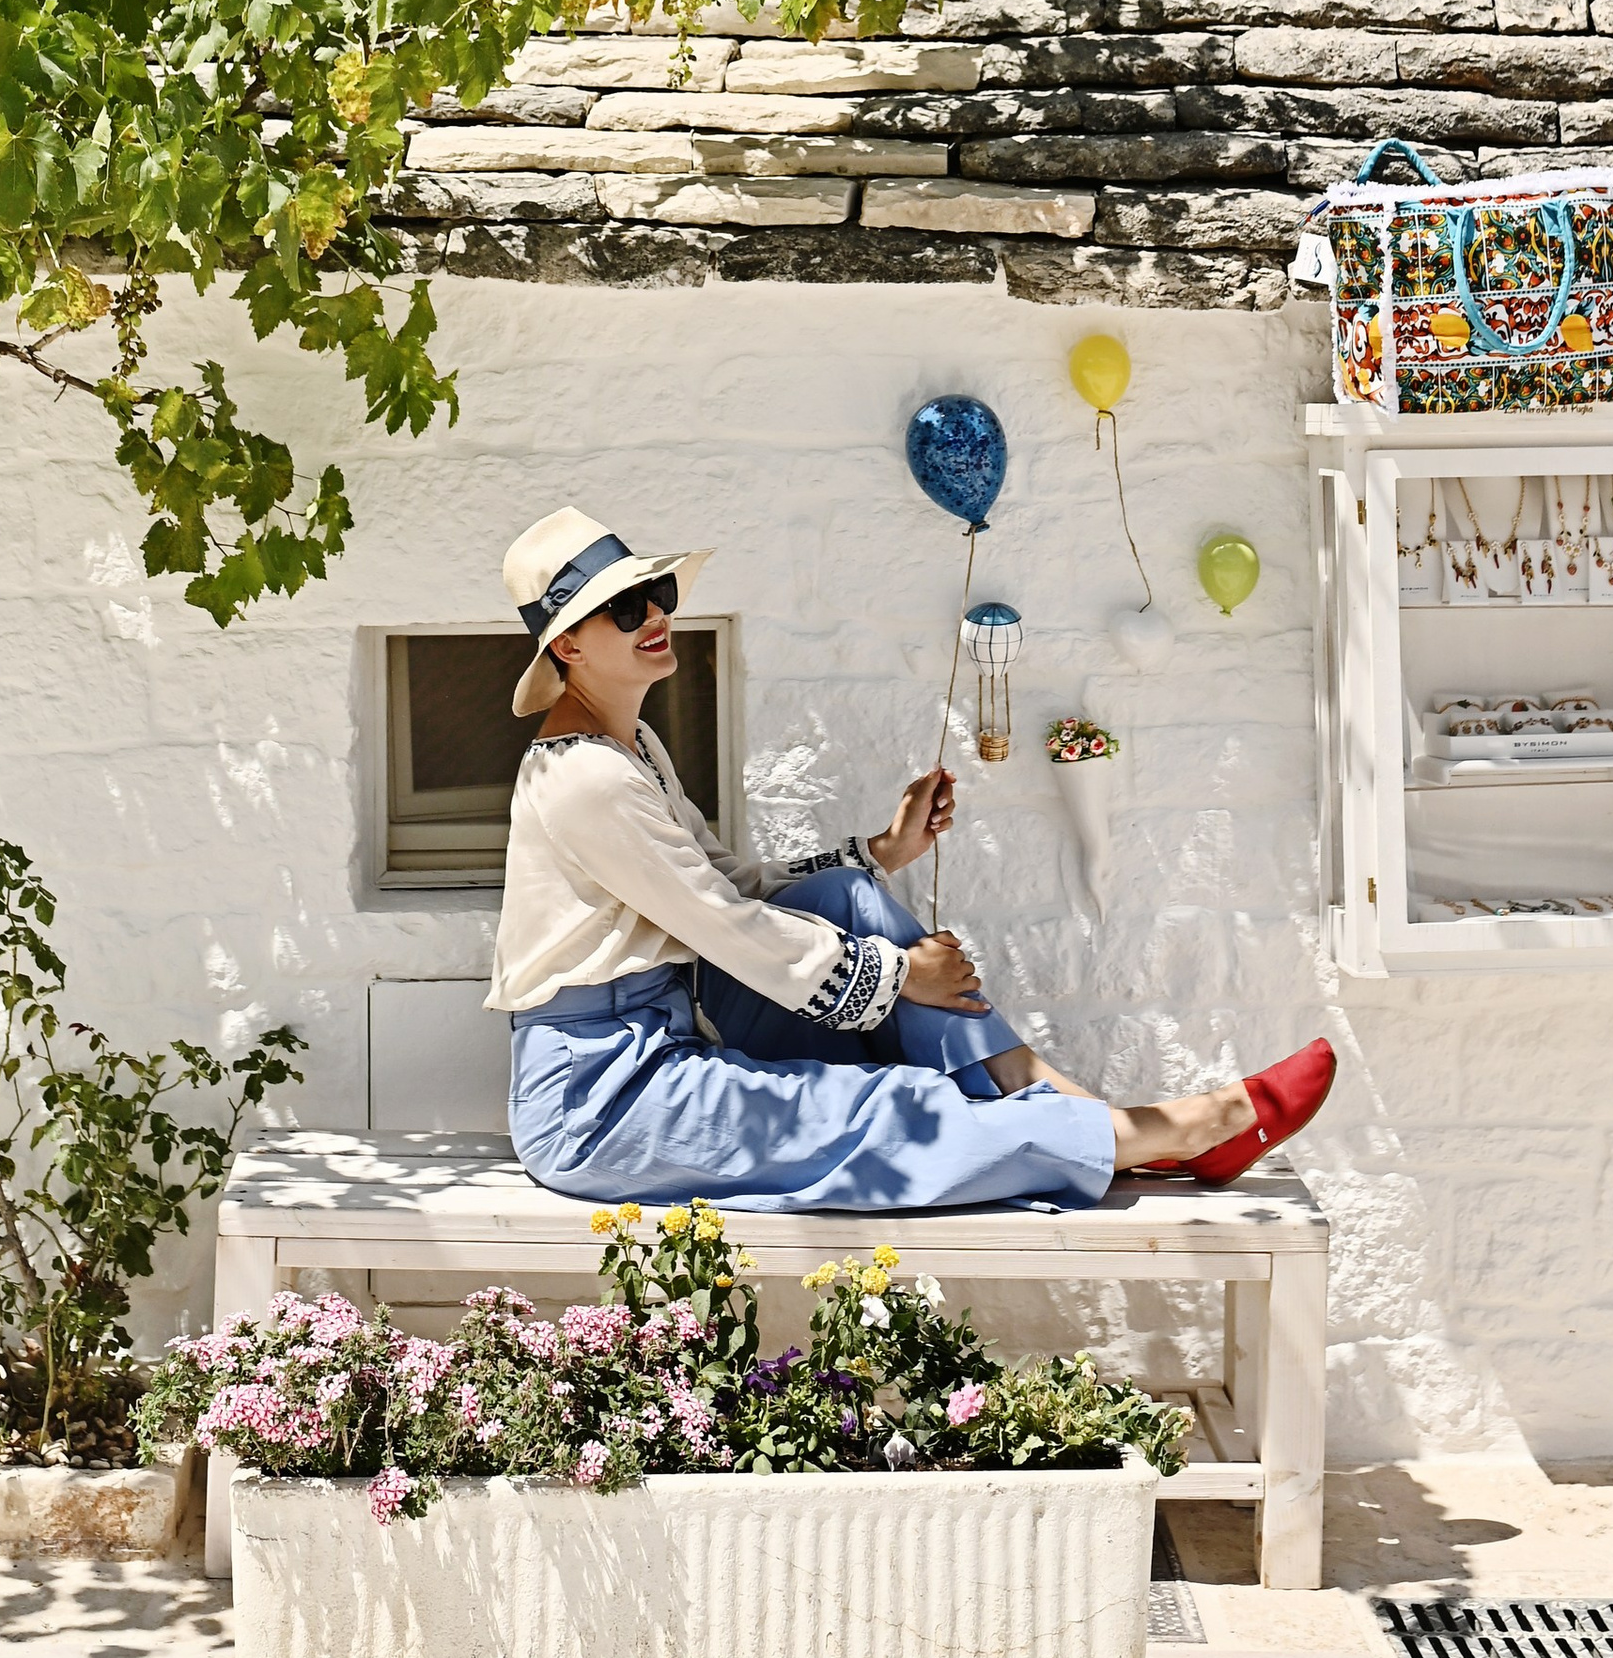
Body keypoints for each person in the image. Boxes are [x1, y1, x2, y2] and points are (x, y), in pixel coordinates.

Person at [490, 506, 1337, 1212]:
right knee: (870, 1115)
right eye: (626, 609)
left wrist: (880, 853)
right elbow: (726, 926)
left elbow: (725, 882)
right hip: (602, 1101)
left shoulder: (628, 745)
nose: (656, 617)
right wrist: (900, 978)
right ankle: (1157, 1133)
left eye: (657, 593)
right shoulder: (586, 780)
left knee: (846, 895)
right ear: (566, 646)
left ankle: (1052, 1102)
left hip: (663, 1040)